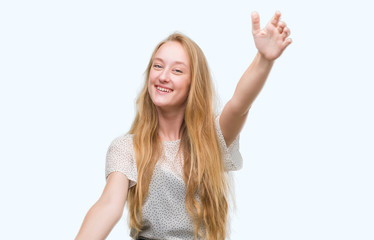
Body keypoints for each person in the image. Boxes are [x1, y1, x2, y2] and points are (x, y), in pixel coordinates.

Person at [75, 11, 292, 240]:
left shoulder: (210, 138)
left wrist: (264, 59)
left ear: (192, 84)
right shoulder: (127, 148)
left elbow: (239, 105)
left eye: (177, 70)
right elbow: (108, 205)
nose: (163, 76)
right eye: (158, 66)